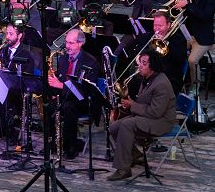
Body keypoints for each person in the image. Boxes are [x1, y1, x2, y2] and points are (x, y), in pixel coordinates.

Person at [107, 49, 176, 181]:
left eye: (144, 63)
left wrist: (132, 105)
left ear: (153, 66)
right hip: (148, 117)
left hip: (161, 121)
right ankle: (134, 154)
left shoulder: (161, 84)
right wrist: (129, 102)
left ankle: (123, 169)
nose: (140, 66)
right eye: (140, 62)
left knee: (127, 125)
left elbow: (155, 112)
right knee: (114, 127)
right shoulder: (147, 78)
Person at [48, 28, 99, 159]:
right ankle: (54, 142)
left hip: (83, 100)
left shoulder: (91, 62)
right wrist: (54, 90)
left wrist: (60, 85)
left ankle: (70, 146)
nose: (67, 46)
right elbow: (60, 79)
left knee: (68, 107)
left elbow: (85, 90)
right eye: (66, 42)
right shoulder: (64, 59)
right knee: (49, 105)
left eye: (71, 43)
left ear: (80, 43)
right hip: (66, 97)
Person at [172, 0, 215, 93]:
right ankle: (177, 82)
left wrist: (187, 5)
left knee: (192, 60)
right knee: (173, 50)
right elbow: (181, 14)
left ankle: (196, 86)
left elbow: (205, 16)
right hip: (188, 35)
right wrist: (176, 4)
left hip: (203, 38)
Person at [130, 10, 187, 96]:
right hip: (148, 75)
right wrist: (138, 58)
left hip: (169, 77)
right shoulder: (148, 36)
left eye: (160, 26)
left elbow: (180, 60)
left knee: (154, 92)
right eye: (155, 25)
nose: (157, 29)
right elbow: (136, 53)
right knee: (132, 86)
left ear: (168, 25)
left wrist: (166, 46)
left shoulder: (179, 39)